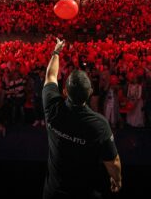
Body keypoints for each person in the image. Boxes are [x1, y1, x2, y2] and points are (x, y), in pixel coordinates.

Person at [42, 38, 122, 199]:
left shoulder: (52, 107)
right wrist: (117, 179)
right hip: (84, 192)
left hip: (53, 193)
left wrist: (56, 51)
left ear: (65, 91)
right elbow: (113, 162)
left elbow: (50, 75)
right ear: (90, 92)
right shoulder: (99, 124)